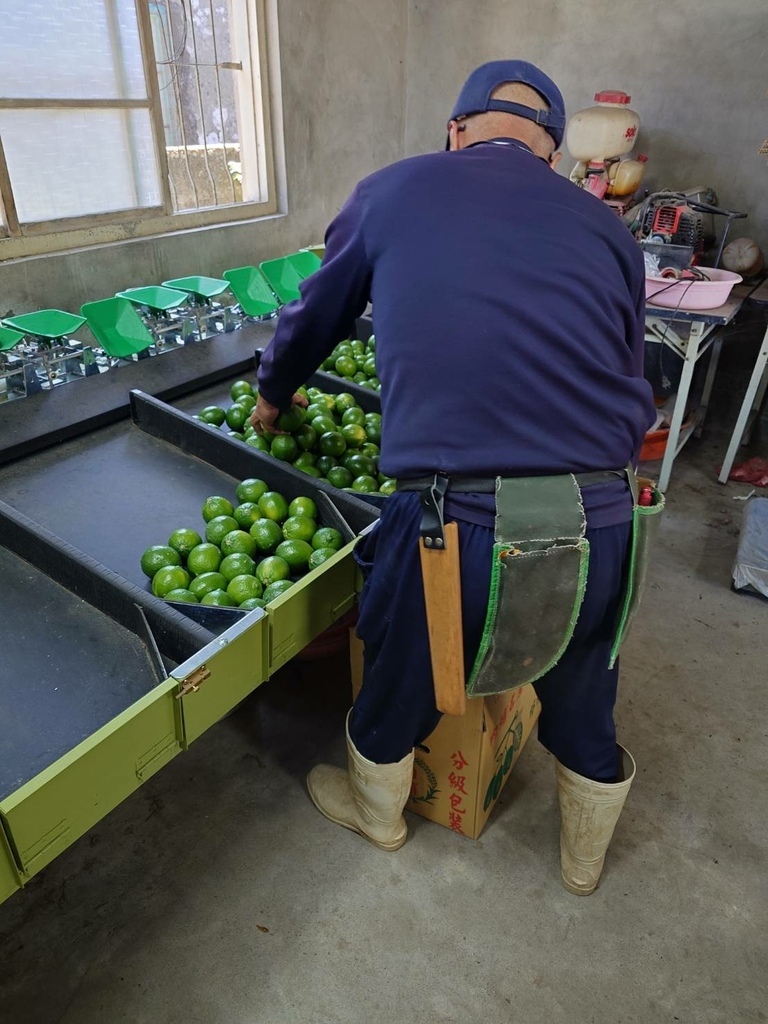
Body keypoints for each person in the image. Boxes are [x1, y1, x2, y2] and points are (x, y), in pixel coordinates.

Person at [251, 60, 656, 895]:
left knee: (404, 674)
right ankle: (582, 864)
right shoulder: (611, 231)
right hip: (606, 517)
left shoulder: (393, 190)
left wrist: (271, 394)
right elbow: (627, 369)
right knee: (585, 690)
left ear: (456, 131)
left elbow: (317, 312)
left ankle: (377, 813)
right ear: (552, 153)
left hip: (455, 523)